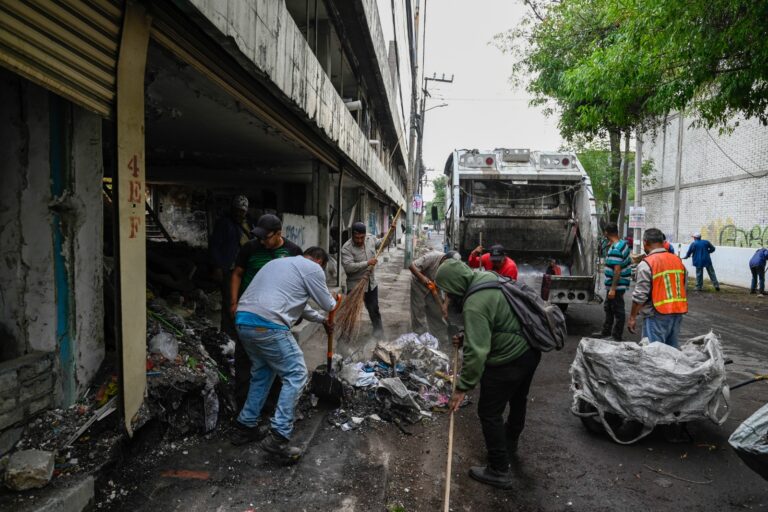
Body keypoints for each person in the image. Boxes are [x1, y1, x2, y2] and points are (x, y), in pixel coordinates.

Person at [435, 258, 540, 490]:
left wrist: (463, 387)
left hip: (510, 358)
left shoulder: (473, 303)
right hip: (530, 350)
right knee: (517, 399)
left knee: (488, 411)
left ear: (454, 285)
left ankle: (499, 469)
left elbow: (477, 352)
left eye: (447, 291)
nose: (447, 297)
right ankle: (509, 444)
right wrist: (468, 334)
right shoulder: (486, 278)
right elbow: (495, 319)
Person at [230, 247, 337, 458]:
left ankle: (246, 426)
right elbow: (328, 303)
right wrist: (335, 300)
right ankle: (278, 436)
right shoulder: (313, 268)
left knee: (263, 372)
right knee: (296, 373)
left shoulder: (280, 264)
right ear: (320, 262)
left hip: (244, 321)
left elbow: (298, 304)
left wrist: (321, 320)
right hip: (268, 324)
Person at [230, 214, 302, 409]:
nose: (262, 241)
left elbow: (298, 283)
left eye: (266, 237)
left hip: (275, 317)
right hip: (248, 313)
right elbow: (237, 274)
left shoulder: (293, 251)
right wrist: (234, 303)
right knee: (244, 360)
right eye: (259, 237)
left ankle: (271, 405)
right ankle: (243, 403)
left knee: (275, 362)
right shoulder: (250, 248)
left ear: (279, 234)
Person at [628, 228, 688, 348]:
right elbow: (682, 285)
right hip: (677, 313)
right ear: (662, 241)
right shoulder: (677, 260)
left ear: (645, 242)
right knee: (671, 353)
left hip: (656, 315)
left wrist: (632, 317)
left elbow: (640, 295)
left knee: (653, 356)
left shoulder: (647, 263)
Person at [210, 195, 252, 337]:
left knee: (242, 301)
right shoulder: (224, 224)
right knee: (229, 302)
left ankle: (239, 330)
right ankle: (228, 334)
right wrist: (218, 266)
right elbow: (215, 246)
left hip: (243, 270)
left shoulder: (247, 224)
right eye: (237, 210)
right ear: (232, 209)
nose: (239, 213)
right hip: (229, 269)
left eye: (242, 211)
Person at [341, 222, 384, 338]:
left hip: (371, 284)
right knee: (350, 313)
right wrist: (367, 263)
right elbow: (348, 268)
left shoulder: (370, 239)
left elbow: (380, 244)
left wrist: (390, 234)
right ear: (352, 235)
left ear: (365, 235)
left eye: (362, 237)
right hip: (355, 285)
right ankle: (344, 338)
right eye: (357, 238)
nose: (359, 240)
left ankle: (379, 334)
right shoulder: (346, 248)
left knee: (374, 309)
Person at [409, 250, 460, 342]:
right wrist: (423, 278)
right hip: (419, 285)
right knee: (418, 312)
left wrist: (445, 305)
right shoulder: (432, 257)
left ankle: (440, 339)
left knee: (437, 312)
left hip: (434, 287)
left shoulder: (452, 267)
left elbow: (449, 288)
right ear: (444, 259)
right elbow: (411, 265)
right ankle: (420, 339)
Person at [592, 222, 631, 341]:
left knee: (618, 310)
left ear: (606, 233)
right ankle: (606, 331)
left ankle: (616, 336)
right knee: (608, 308)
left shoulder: (616, 248)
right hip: (617, 285)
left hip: (616, 286)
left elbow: (617, 271)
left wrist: (613, 289)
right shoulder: (622, 244)